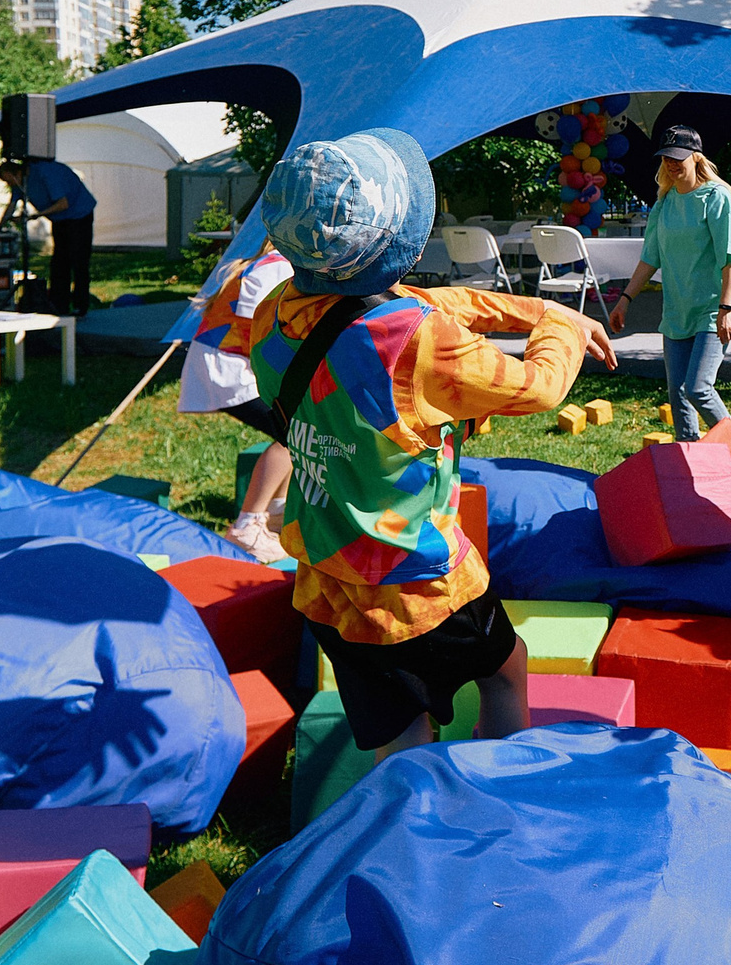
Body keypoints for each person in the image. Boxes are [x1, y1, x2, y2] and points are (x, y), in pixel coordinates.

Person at [223, 127, 615, 761]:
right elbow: (540, 387)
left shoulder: (275, 307)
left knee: (400, 732)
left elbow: (433, 301)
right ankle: (503, 784)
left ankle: (409, 831)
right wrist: (559, 326)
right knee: (507, 667)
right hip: (416, 574)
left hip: (329, 573)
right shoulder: (417, 342)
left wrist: (534, 311)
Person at [609, 124, 731, 443]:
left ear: (696, 158)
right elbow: (649, 258)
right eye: (667, 157)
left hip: (713, 310)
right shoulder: (664, 204)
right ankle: (689, 463)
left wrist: (726, 307)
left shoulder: (716, 197)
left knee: (698, 388)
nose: (672, 163)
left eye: (679, 156)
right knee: (678, 396)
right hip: (677, 312)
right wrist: (624, 300)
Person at [180, 238, 298, 562]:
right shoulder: (276, 268)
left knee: (290, 430)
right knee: (292, 432)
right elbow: (259, 324)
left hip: (227, 361)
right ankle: (248, 525)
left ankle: (273, 515)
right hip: (227, 367)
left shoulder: (266, 264)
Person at [0, 156, 98, 316]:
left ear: (15, 173)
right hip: (60, 219)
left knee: (79, 261)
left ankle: (80, 305)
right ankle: (59, 305)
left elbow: (63, 203)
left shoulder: (46, 172)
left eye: (8, 180)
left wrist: (36, 215)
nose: (8, 185)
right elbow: (12, 204)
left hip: (79, 215)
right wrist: (0, 225)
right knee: (59, 262)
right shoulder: (20, 182)